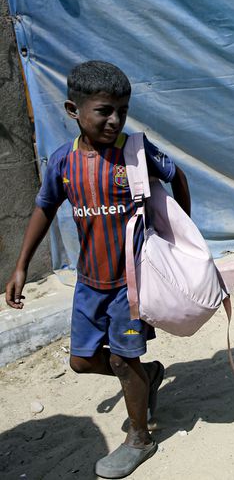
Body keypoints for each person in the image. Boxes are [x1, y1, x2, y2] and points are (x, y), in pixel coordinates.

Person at [4, 60, 190, 478]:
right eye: (103, 110)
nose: (114, 119)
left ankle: (140, 438)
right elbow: (44, 207)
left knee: (124, 361)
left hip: (131, 283)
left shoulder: (136, 153)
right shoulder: (62, 164)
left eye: (121, 110)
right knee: (82, 362)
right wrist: (20, 267)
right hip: (90, 283)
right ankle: (149, 375)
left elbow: (177, 177)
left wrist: (180, 233)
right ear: (74, 110)